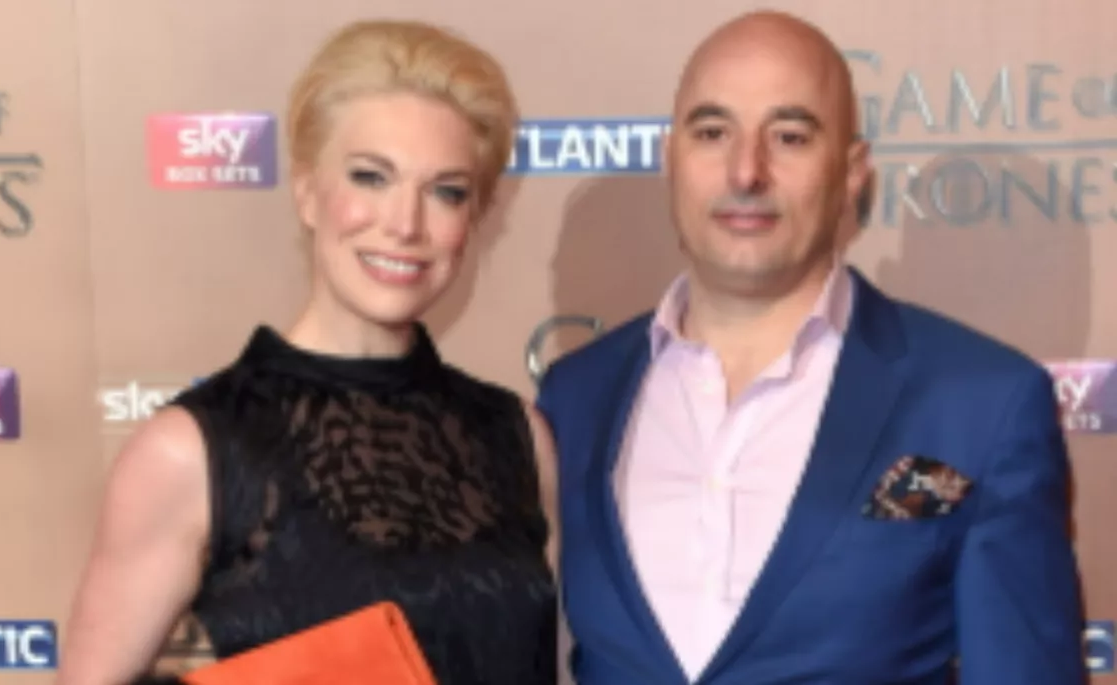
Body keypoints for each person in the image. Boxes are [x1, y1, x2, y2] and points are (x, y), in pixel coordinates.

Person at [536, 10, 1084, 685]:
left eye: (789, 136)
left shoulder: (980, 403)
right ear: (670, 158)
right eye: (712, 132)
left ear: (851, 172)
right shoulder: (574, 398)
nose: (746, 170)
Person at [56, 19, 560, 685]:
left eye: (446, 191)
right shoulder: (193, 449)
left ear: (473, 220)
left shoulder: (516, 434)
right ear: (306, 192)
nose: (405, 223)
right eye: (370, 177)